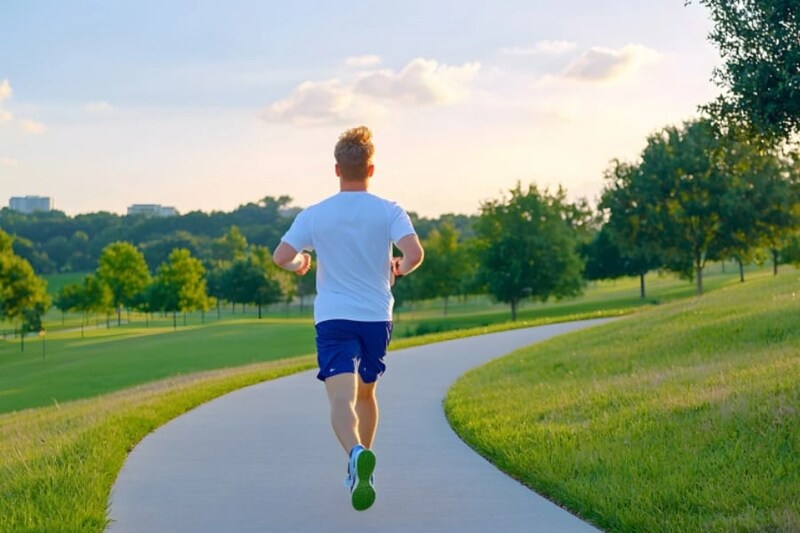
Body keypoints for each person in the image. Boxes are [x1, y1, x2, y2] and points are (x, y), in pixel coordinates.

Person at [272, 126, 424, 511]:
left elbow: (280, 256)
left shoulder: (315, 214)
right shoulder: (389, 210)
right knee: (367, 394)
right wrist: (400, 267)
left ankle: (356, 454)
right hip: (376, 316)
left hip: (333, 318)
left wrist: (299, 263)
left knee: (341, 396)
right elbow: (415, 254)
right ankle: (362, 466)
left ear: (337, 169)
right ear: (370, 169)